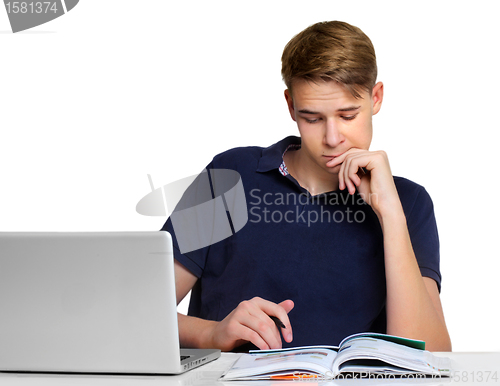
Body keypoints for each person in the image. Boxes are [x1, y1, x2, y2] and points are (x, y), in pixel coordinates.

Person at [162, 20, 452, 352]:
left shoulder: (409, 203)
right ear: (290, 106)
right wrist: (211, 334)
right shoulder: (231, 175)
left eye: (347, 115)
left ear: (376, 98)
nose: (332, 139)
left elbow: (433, 355)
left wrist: (390, 215)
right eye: (312, 118)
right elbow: (137, 312)